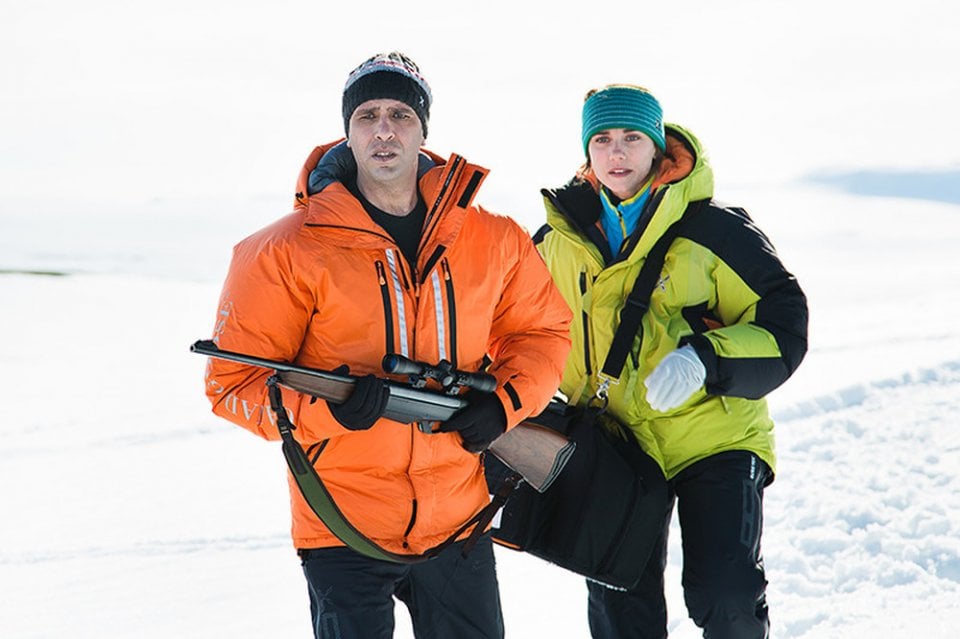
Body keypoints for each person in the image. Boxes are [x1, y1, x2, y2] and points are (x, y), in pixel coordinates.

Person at [202, 51, 572, 639]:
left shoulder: (494, 237)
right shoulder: (282, 251)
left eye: (400, 113)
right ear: (346, 132)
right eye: (367, 114)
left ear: (424, 129)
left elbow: (543, 333)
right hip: (340, 521)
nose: (383, 129)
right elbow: (231, 385)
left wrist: (503, 405)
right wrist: (327, 411)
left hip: (460, 519)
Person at [533, 84, 808, 638]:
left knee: (725, 593)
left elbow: (784, 324)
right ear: (586, 151)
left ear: (657, 147)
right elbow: (519, 331)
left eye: (632, 137)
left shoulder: (716, 230)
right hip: (614, 446)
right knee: (620, 609)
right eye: (603, 139)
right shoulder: (554, 242)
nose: (617, 152)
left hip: (714, 439)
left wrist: (706, 358)